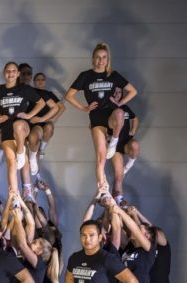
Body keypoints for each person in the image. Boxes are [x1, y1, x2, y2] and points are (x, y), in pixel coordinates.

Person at [65, 43, 138, 189]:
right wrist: (84, 108)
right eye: (98, 57)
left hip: (111, 115)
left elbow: (133, 91)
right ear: (93, 59)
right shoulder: (86, 76)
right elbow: (69, 95)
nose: (101, 60)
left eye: (104, 57)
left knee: (120, 112)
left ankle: (114, 141)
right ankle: (103, 190)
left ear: (107, 59)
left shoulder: (113, 75)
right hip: (97, 118)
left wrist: (120, 102)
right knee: (101, 158)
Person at [0, 62, 44, 198]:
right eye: (8, 71)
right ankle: (14, 196)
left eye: (14, 71)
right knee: (11, 163)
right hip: (7, 129)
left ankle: (21, 153)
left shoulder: (24, 89)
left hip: (22, 127)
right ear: (4, 73)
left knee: (18, 126)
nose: (11, 73)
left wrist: (29, 115)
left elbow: (41, 103)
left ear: (18, 73)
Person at [109, 88, 139, 203]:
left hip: (126, 142)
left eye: (119, 92)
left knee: (135, 145)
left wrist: (133, 130)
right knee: (119, 176)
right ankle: (118, 201)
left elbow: (135, 119)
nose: (117, 94)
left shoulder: (125, 107)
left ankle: (127, 167)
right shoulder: (107, 107)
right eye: (115, 92)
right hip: (115, 147)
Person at [32, 72, 65, 159]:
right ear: (34, 81)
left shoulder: (49, 94)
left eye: (42, 80)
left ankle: (42, 149)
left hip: (44, 121)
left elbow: (62, 107)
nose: (40, 81)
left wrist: (53, 118)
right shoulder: (31, 92)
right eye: (38, 80)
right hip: (33, 121)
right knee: (33, 144)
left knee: (49, 127)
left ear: (45, 81)